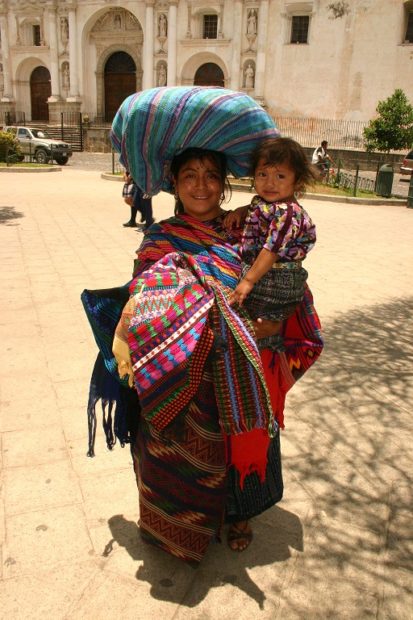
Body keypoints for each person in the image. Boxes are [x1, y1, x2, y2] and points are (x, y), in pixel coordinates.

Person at [81, 147, 323, 564]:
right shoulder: (160, 236)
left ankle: (240, 514)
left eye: (211, 175)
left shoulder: (246, 230)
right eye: (189, 175)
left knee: (241, 440)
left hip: (242, 361)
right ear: (174, 183)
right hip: (181, 367)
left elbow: (286, 282)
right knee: (174, 443)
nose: (200, 185)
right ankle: (174, 519)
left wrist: (274, 323)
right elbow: (146, 295)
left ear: (225, 184)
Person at [227, 137, 317, 329]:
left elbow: (272, 249)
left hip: (276, 280)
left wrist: (248, 281)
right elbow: (256, 207)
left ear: (298, 181)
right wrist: (240, 212)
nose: (270, 183)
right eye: (262, 174)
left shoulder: (288, 213)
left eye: (280, 176)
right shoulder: (265, 203)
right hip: (264, 272)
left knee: (240, 315)